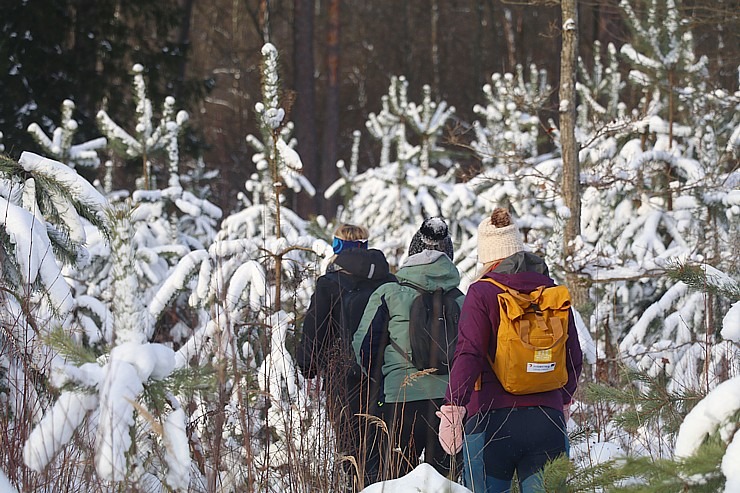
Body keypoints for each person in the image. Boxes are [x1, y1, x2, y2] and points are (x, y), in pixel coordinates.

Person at [438, 207, 583, 492]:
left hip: (491, 421)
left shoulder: (482, 292)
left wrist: (453, 408)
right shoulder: (551, 293)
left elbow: (469, 354)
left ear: (486, 254)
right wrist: (562, 401)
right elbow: (573, 355)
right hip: (547, 418)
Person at [353, 217, 464, 481]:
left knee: (395, 479)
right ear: (448, 256)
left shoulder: (389, 293)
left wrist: (384, 380)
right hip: (447, 406)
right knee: (445, 483)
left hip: (399, 401)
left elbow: (364, 345)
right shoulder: (461, 299)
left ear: (412, 253)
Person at [296, 223, 395, 489]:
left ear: (338, 247)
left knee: (352, 453)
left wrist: (307, 366)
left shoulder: (329, 284)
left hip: (344, 379)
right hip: (385, 379)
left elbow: (314, 330)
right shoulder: (389, 281)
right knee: (383, 448)